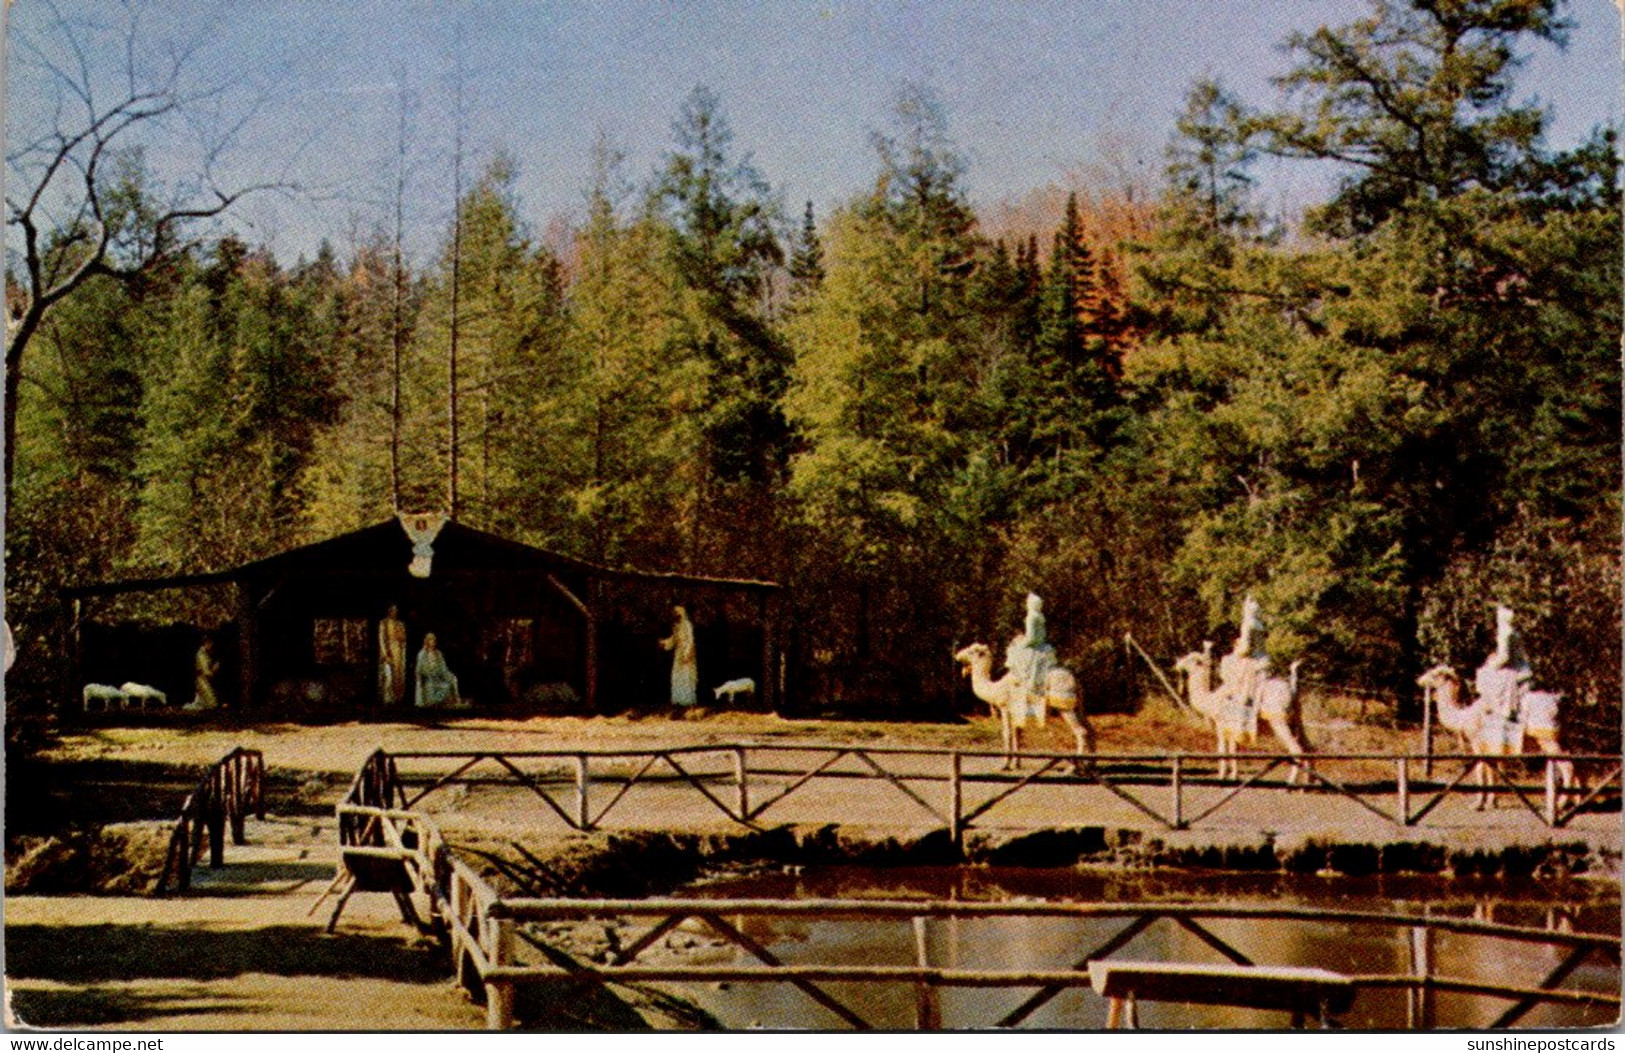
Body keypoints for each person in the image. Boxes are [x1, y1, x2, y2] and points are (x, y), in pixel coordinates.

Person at [1006, 593, 1056, 725]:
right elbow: (1040, 635)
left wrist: (1020, 643)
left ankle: (1026, 698)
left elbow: (1032, 638)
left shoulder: (1030, 617)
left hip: (1034, 646)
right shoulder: (1040, 616)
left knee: (1013, 651)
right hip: (1042, 645)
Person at [660, 605, 698, 709]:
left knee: (686, 676)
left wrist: (687, 653)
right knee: (677, 676)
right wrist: (665, 643)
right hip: (678, 654)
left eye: (679, 613)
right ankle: (678, 701)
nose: (677, 615)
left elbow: (690, 640)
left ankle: (688, 702)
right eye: (675, 613)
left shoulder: (687, 625)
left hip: (687, 654)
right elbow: (674, 640)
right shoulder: (676, 627)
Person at [414, 632, 462, 709]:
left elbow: (443, 669)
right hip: (427, 679)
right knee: (431, 688)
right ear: (426, 641)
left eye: (433, 640)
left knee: (448, 683)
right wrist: (426, 675)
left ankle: (450, 702)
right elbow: (419, 669)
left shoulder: (438, 654)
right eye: (430, 639)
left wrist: (450, 677)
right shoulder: (422, 654)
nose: (432, 642)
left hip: (438, 678)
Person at [378, 605, 408, 706]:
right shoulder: (383, 623)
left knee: (398, 676)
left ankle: (397, 699)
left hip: (398, 652)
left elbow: (403, 640)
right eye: (392, 610)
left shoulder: (400, 624)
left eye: (396, 610)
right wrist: (385, 653)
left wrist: (402, 653)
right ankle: (387, 699)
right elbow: (381, 639)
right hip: (388, 651)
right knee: (388, 676)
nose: (394, 612)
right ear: (389, 611)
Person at [186, 638, 220, 711]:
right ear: (207, 643)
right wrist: (214, 669)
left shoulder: (205, 654)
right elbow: (205, 672)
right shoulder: (201, 655)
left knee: (210, 702)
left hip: (204, 679)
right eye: (210, 644)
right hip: (201, 680)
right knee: (211, 703)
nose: (211, 647)